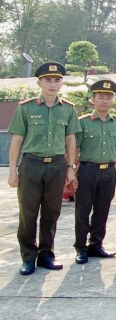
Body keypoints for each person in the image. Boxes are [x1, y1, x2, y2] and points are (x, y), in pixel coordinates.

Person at [7, 62, 79, 275]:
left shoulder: (67, 109)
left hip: (56, 165)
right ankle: (28, 257)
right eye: (48, 80)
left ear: (61, 83)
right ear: (39, 82)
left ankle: (46, 254)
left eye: (57, 80)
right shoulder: (26, 108)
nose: (52, 84)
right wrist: (13, 169)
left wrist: (70, 167)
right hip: (31, 165)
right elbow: (17, 140)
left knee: (51, 212)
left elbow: (71, 139)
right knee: (28, 213)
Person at [74, 79, 116, 264]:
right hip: (88, 170)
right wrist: (71, 171)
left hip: (109, 172)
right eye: (101, 97)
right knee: (83, 210)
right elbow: (74, 148)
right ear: (93, 100)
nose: (105, 101)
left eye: (109, 97)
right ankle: (81, 247)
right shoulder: (83, 122)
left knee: (102, 209)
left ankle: (96, 244)